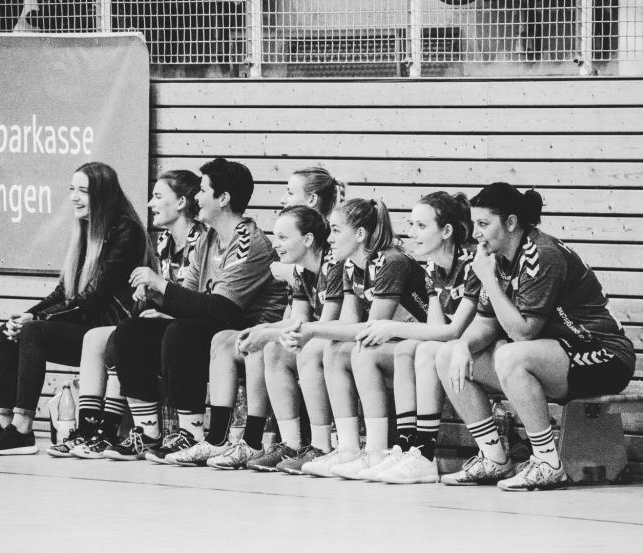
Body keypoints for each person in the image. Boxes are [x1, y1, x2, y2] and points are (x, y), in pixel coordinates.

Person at [436, 182, 635, 491]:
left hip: (603, 355)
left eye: (484, 224)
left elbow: (523, 333)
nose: (476, 233)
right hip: (555, 355)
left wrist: (488, 279)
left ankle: (548, 463)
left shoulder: (541, 254)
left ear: (511, 222)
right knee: (447, 354)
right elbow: (486, 324)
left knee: (511, 356)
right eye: (474, 224)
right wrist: (462, 344)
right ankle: (494, 459)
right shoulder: (496, 258)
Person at [0, 162, 156, 455]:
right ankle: (3, 424)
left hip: (107, 334)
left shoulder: (126, 231)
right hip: (84, 325)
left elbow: (93, 299)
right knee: (8, 331)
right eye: (72, 189)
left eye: (83, 191)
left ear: (103, 195)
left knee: (33, 331)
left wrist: (36, 319)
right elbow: (62, 292)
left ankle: (22, 430)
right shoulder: (86, 229)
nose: (74, 197)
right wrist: (27, 315)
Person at [104, 158, 287, 461]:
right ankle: (147, 433)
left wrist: (162, 287)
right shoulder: (207, 239)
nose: (196, 197)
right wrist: (157, 297)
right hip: (212, 324)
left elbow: (223, 309)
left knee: (183, 333)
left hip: (246, 330)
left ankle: (190, 433)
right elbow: (188, 298)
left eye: (202, 190)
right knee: (132, 331)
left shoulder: (247, 242)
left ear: (223, 198)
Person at [169, 168, 346, 470]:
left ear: (307, 238)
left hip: (337, 339)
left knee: (269, 346)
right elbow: (296, 317)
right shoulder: (301, 268)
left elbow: (326, 325)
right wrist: (262, 329)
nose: (275, 244)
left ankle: (287, 443)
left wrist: (267, 333)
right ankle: (220, 439)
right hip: (308, 334)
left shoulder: (332, 262)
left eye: (282, 237)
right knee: (232, 339)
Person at [46, 169, 204, 458]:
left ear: (181, 203)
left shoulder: (201, 242)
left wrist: (165, 307)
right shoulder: (165, 241)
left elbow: (199, 301)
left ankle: (111, 432)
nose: (150, 203)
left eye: (158, 196)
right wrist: (151, 294)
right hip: (165, 323)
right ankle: (88, 430)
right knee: (95, 338)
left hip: (188, 330)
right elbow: (170, 294)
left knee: (126, 335)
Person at [280, 198, 431, 478]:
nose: (329, 238)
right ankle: (348, 449)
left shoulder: (391, 261)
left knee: (362, 350)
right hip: (396, 344)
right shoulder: (351, 265)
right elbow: (349, 323)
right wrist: (309, 331)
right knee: (334, 350)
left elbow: (372, 327)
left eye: (336, 231)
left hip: (422, 345)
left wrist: (312, 330)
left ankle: (376, 452)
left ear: (360, 234)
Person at [348, 191, 479, 484]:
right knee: (409, 348)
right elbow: (434, 330)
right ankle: (408, 449)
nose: (411, 233)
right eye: (410, 224)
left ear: (446, 231)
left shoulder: (472, 264)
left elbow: (454, 331)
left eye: (421, 226)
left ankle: (425, 454)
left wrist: (392, 328)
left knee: (423, 349)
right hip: (454, 348)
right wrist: (398, 332)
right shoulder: (432, 267)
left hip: (481, 347)